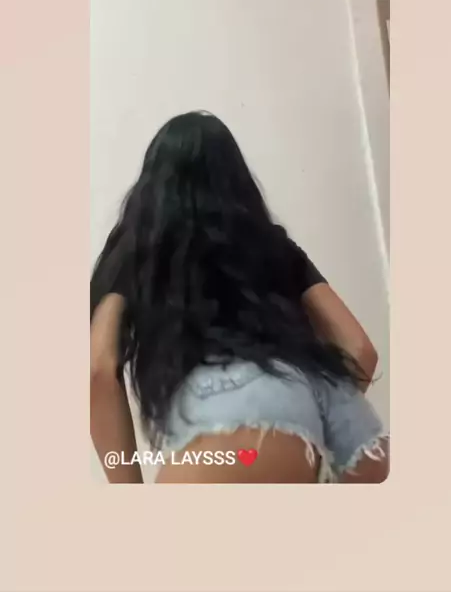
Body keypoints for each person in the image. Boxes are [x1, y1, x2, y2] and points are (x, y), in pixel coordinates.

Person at [90, 111, 389, 484]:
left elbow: (98, 370)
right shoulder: (273, 245)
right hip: (296, 415)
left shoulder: (135, 252)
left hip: (208, 432)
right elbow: (360, 349)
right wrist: (309, 412)